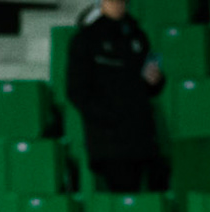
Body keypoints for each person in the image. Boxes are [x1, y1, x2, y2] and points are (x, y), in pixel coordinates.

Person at [65, 0, 166, 194]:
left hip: (142, 139)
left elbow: (146, 87)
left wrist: (156, 81)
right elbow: (77, 91)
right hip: (110, 143)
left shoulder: (137, 35)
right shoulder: (86, 39)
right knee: (120, 201)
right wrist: (110, 118)